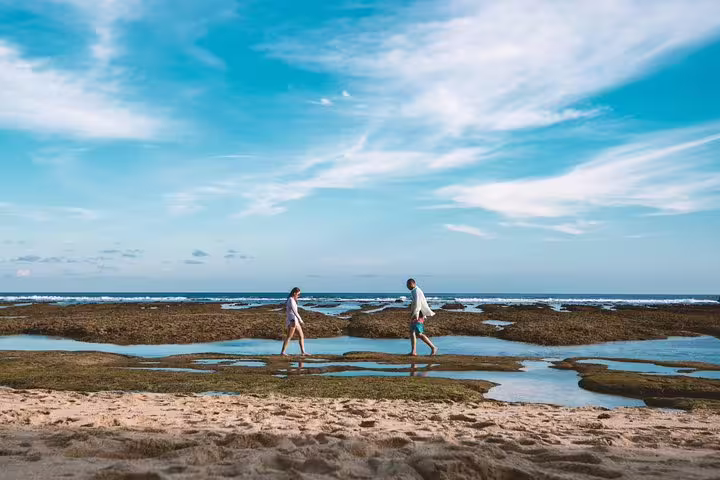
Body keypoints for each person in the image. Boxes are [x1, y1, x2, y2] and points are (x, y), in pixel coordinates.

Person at [406, 278, 438, 356]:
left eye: (409, 284)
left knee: (419, 333)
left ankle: (433, 347)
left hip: (419, 314)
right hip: (416, 314)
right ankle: (413, 351)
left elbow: (418, 304)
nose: (408, 286)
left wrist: (415, 314)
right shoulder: (414, 291)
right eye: (407, 285)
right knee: (412, 332)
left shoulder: (417, 291)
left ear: (413, 284)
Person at [281, 287, 307, 356]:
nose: (299, 296)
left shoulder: (293, 300)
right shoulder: (290, 300)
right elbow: (294, 311)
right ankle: (283, 352)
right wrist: (301, 320)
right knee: (289, 337)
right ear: (294, 293)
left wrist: (298, 320)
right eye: (298, 294)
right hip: (292, 321)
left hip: (295, 320)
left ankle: (303, 352)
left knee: (301, 336)